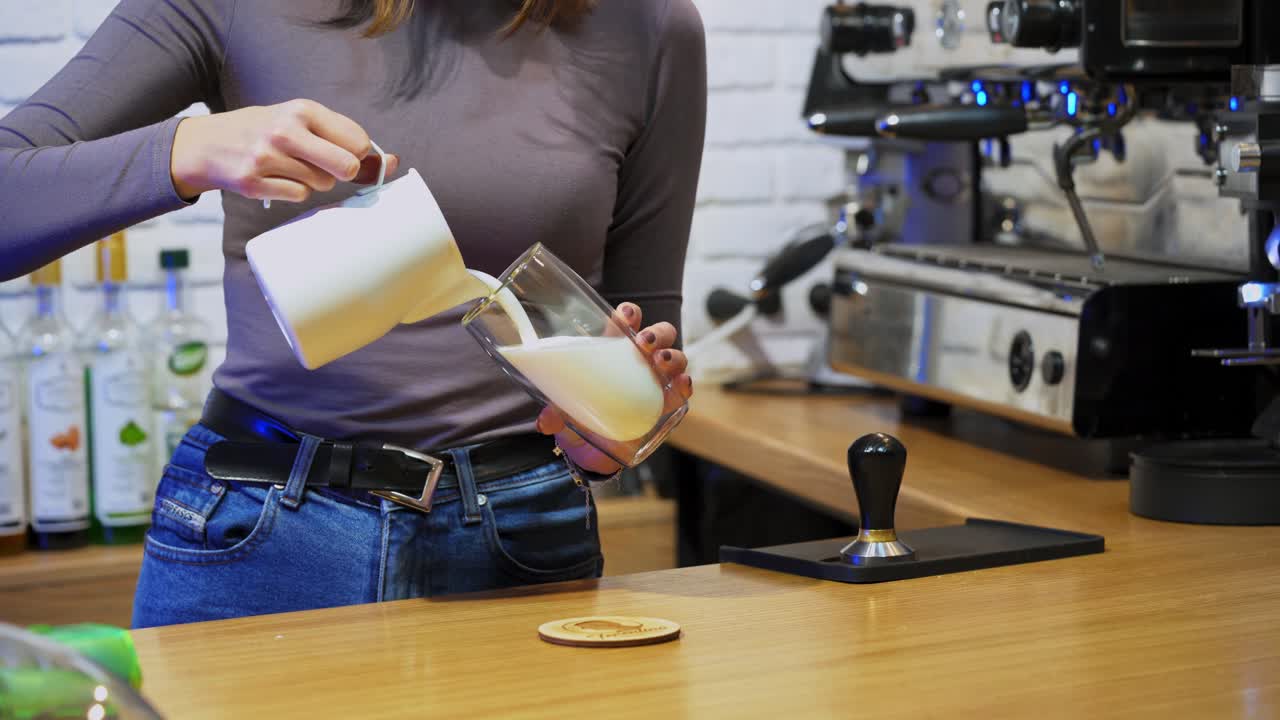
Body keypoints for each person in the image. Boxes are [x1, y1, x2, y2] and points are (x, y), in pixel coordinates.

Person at [0, 0, 705, 627]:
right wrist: (192, 150)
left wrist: (611, 426)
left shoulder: (649, 25)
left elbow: (627, 337)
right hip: (259, 533)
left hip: (520, 539)